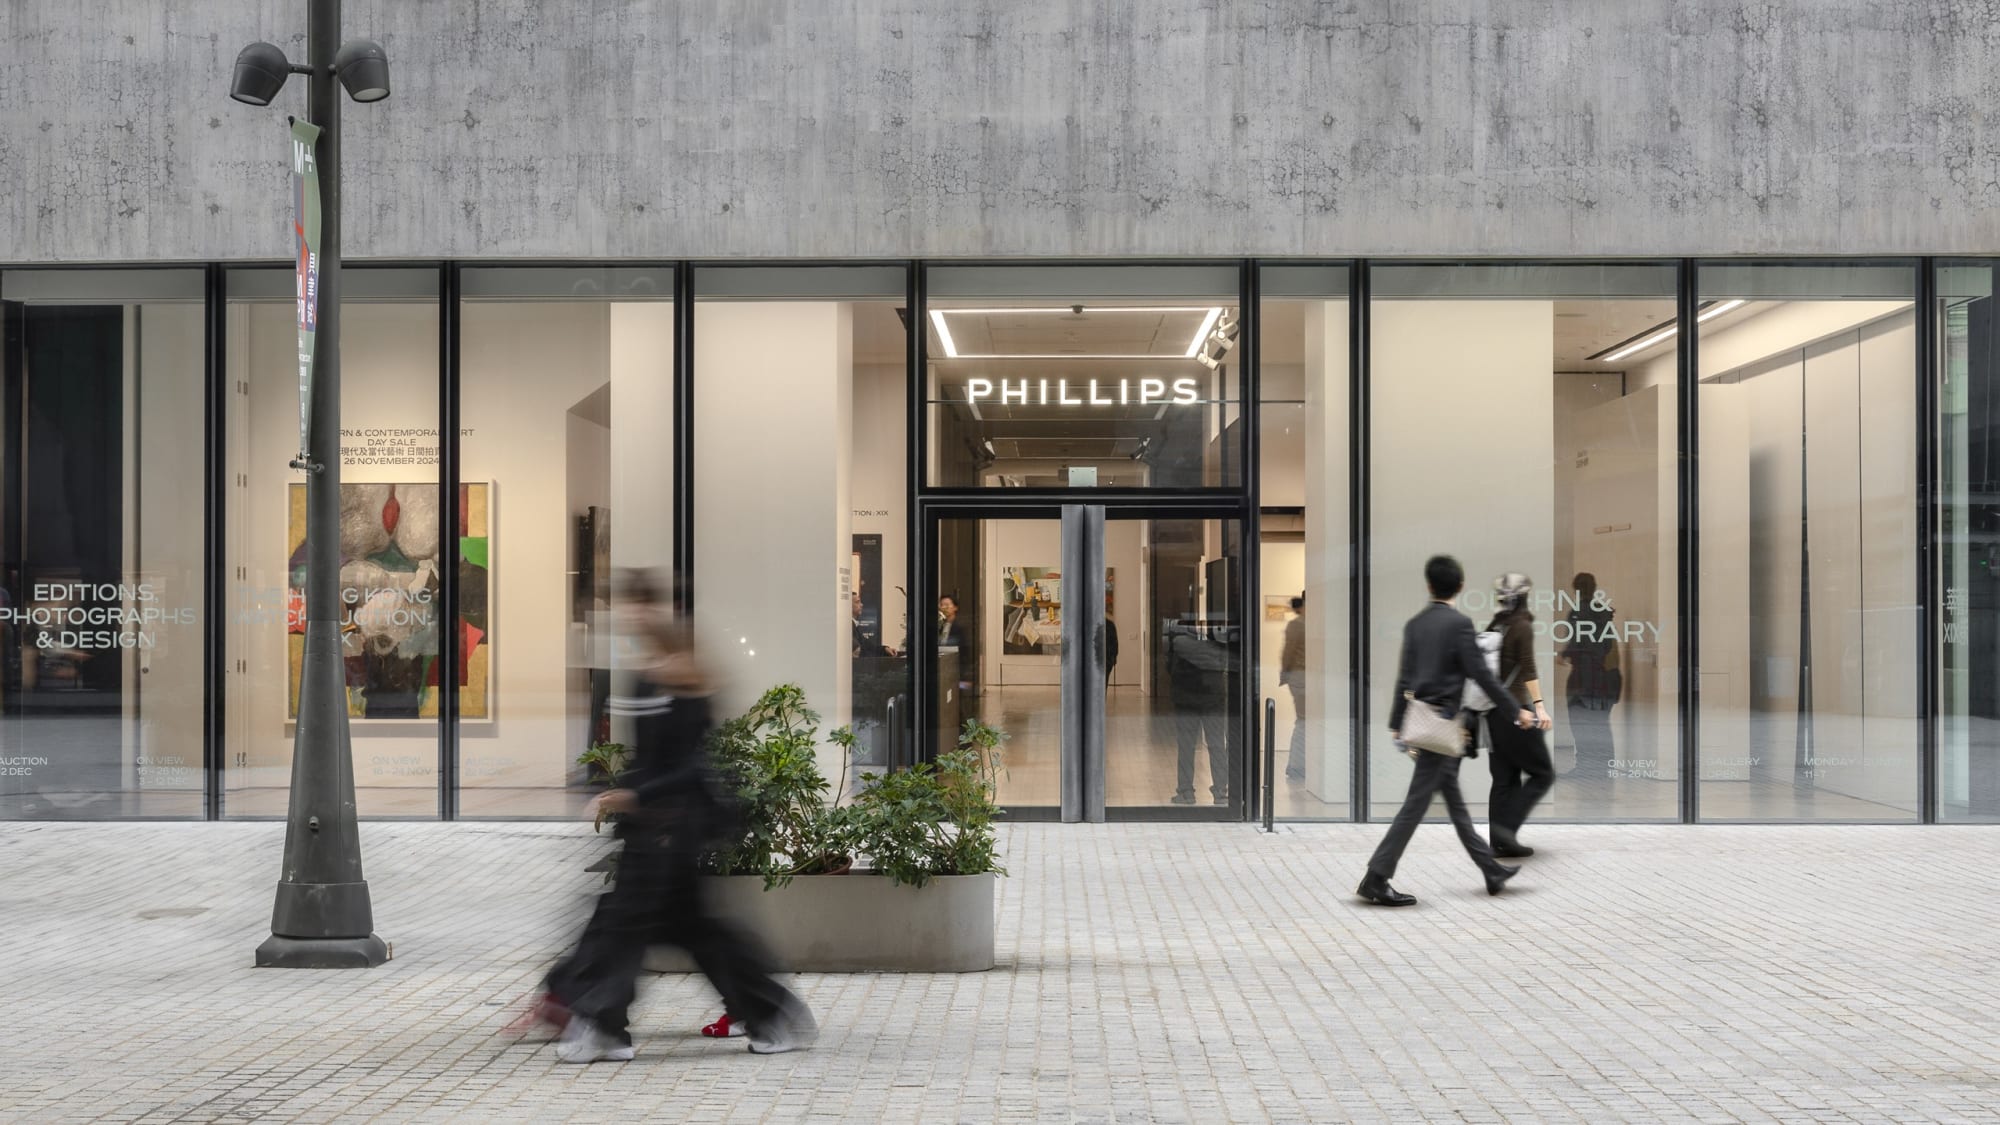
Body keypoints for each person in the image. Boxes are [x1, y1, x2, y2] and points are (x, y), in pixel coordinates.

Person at [537, 571, 816, 1062]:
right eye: (625, 606)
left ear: (657, 610)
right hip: (653, 827)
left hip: (673, 828)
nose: (629, 615)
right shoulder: (644, 675)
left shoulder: (682, 676)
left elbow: (690, 766)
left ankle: (603, 1026)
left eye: (639, 605)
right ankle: (772, 1015)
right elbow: (646, 757)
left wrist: (634, 794)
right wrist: (621, 793)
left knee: (628, 926)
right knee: (693, 930)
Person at [1358, 555, 1533, 907]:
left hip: (1424, 722)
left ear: (1429, 585)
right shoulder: (1459, 625)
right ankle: (1376, 877)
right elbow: (1482, 676)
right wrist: (1516, 710)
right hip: (1442, 727)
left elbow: (1404, 679)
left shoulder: (1416, 624)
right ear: (1460, 586)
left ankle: (1491, 871)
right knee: (1415, 806)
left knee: (1454, 804)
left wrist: (1397, 723)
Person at [1480, 573, 1555, 858]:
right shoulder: (1522, 625)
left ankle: (1500, 844)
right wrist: (1540, 706)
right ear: (1524, 597)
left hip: (1492, 712)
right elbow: (1527, 667)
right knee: (1543, 774)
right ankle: (1506, 830)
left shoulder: (1496, 625)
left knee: (1504, 779)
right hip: (1516, 711)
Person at [1558, 572, 1619, 776]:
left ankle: (1585, 766)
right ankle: (1604, 765)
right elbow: (1606, 645)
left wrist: (1565, 654)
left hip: (1583, 676)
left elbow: (1577, 642)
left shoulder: (1578, 612)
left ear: (1576, 590)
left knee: (1580, 721)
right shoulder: (1604, 612)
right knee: (1600, 722)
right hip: (1603, 676)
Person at [1280, 593, 1306, 780]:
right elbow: (1288, 653)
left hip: (1302, 677)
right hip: (1301, 678)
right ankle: (1297, 765)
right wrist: (1285, 675)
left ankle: (1298, 765)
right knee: (1304, 722)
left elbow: (1288, 654)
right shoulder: (1298, 625)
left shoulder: (1301, 624)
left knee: (1304, 722)